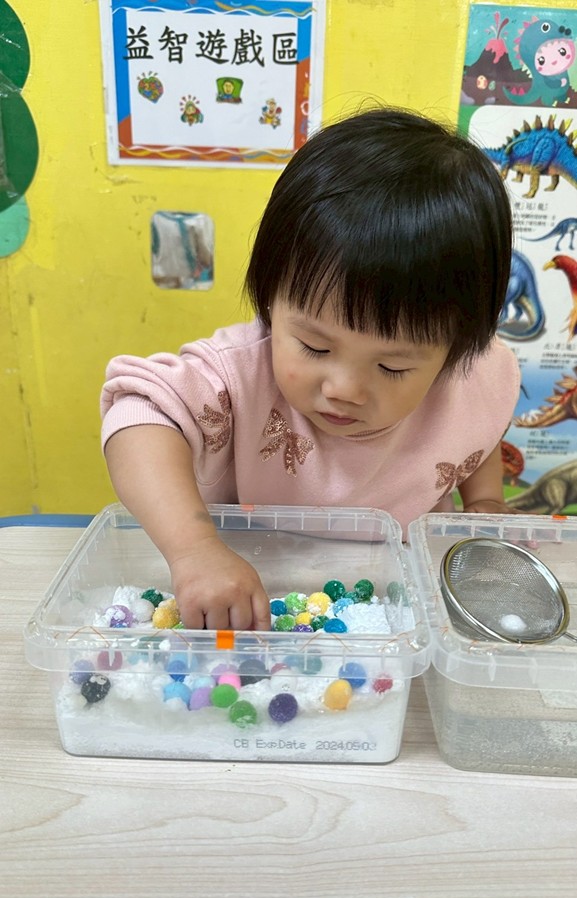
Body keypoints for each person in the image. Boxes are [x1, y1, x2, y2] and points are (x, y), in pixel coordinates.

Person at [101, 106, 520, 631]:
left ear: (457, 350)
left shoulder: (474, 376)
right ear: (270, 299)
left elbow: (477, 426)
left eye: (392, 366)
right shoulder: (240, 375)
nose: (344, 389)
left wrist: (485, 498)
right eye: (315, 348)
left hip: (402, 608)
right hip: (255, 594)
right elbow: (138, 415)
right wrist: (194, 549)